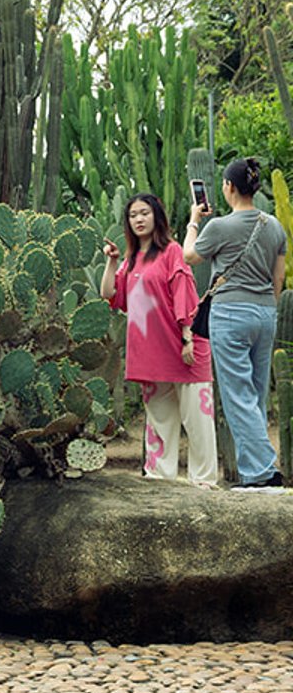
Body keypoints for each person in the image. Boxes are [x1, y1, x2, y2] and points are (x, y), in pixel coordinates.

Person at [184, 157, 287, 490]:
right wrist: (267, 308)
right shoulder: (274, 226)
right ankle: (253, 472)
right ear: (255, 188)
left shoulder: (219, 227)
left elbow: (190, 256)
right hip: (265, 313)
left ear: (228, 187)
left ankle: (262, 472)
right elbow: (278, 278)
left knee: (237, 396)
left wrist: (193, 222)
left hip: (230, 314)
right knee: (255, 393)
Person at [100, 193, 218, 486]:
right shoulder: (131, 260)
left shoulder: (172, 251)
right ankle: (159, 481)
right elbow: (109, 294)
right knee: (160, 422)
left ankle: (203, 482)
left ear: (157, 217)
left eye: (144, 213)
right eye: (133, 215)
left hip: (184, 347)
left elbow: (184, 292)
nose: (139, 219)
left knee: (198, 422)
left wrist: (188, 336)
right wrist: (112, 262)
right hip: (150, 354)